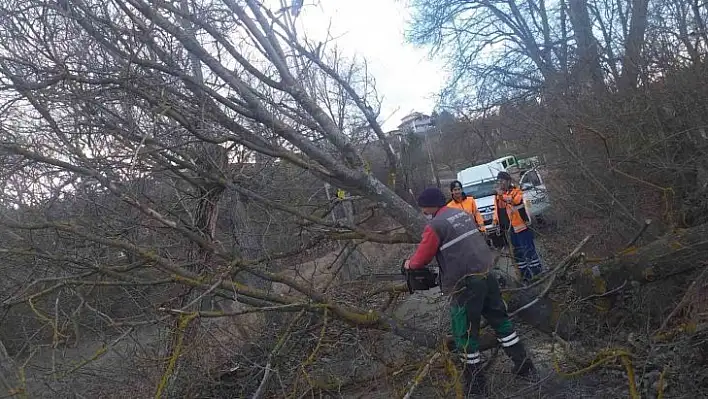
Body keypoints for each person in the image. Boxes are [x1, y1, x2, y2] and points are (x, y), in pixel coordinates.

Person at [404, 187, 537, 395]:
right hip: (487, 274)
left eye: (423, 207)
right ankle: (525, 366)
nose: (422, 210)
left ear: (430, 205)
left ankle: (476, 384)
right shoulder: (461, 214)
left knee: (464, 333)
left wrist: (408, 264)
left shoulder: (435, 225)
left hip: (465, 284)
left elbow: (421, 259)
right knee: (501, 322)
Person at [493, 171, 543, 282]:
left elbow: (515, 201)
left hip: (522, 227)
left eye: (502, 181)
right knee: (518, 253)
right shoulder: (498, 196)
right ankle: (525, 276)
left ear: (508, 181)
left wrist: (502, 196)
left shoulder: (516, 191)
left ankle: (538, 273)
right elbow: (497, 210)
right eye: (499, 181)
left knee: (529, 250)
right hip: (510, 229)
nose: (500, 183)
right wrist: (495, 221)